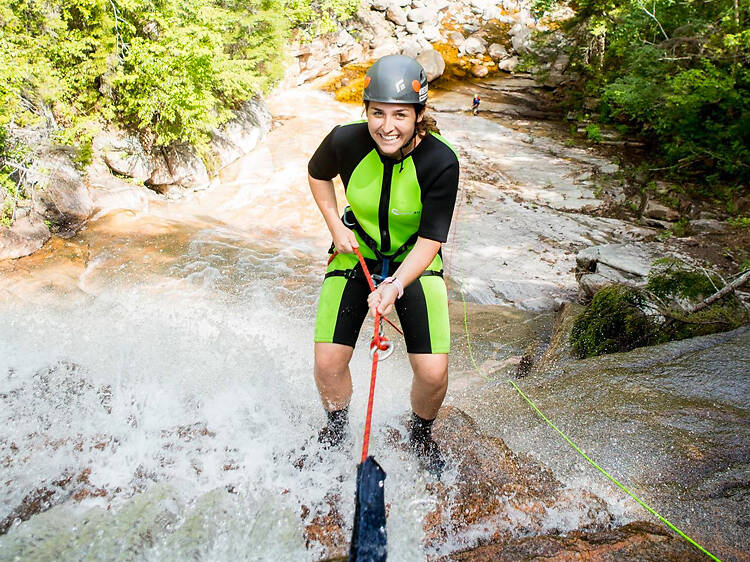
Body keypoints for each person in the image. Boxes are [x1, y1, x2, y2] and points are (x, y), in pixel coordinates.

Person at [307, 55, 460, 475]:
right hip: (355, 252)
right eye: (377, 113)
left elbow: (431, 239)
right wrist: (336, 226)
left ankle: (420, 436)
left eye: (400, 115)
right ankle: (336, 431)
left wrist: (394, 285)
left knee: (432, 372)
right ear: (366, 111)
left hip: (416, 259)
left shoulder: (440, 161)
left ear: (419, 115)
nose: (386, 126)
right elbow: (317, 174)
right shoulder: (345, 141)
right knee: (328, 362)